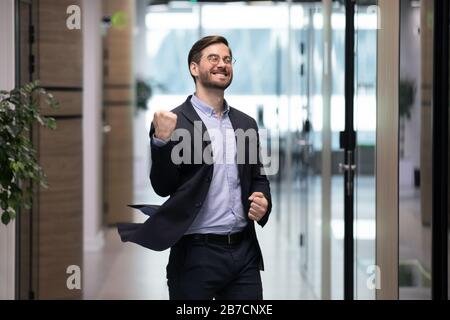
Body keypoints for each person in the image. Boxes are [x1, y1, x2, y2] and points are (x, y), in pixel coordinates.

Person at [118, 35, 272, 300]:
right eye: (213, 58)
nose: (222, 64)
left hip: (244, 252)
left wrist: (263, 199)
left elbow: (258, 176)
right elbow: (163, 186)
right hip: (195, 255)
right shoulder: (172, 122)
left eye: (227, 59)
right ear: (194, 68)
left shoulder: (246, 123)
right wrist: (161, 142)